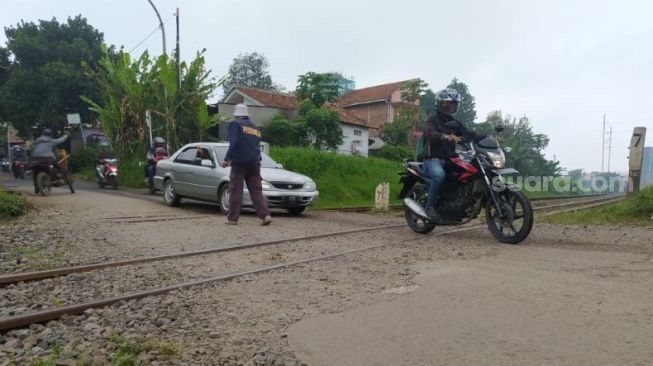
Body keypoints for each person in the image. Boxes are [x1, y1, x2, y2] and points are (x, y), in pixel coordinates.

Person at [423, 89, 485, 220]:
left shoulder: (455, 123)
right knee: (439, 175)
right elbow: (430, 134)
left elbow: (469, 134)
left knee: (471, 172)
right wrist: (444, 136)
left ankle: (457, 204)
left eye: (454, 104)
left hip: (450, 159)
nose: (451, 107)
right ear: (441, 104)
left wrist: (487, 138)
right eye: (449, 104)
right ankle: (430, 206)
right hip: (433, 159)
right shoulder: (432, 120)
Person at [221, 104, 272, 226]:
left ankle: (233, 219)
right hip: (254, 163)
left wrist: (227, 159)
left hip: (239, 163)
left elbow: (234, 143)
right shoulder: (256, 128)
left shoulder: (236, 125)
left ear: (237, 115)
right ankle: (265, 215)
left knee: (235, 190)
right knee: (256, 191)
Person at [30, 128, 69, 193]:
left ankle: (36, 187)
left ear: (42, 134)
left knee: (36, 172)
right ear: (50, 135)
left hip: (34, 159)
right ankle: (59, 175)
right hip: (46, 158)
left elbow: (32, 148)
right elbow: (61, 140)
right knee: (56, 164)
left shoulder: (37, 140)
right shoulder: (50, 141)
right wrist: (66, 135)